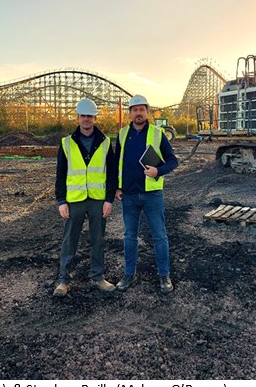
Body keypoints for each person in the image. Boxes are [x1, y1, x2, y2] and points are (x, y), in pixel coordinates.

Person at [115, 94, 179, 294]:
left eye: (141, 109)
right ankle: (128, 274)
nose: (138, 113)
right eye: (134, 110)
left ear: (147, 112)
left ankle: (164, 276)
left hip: (152, 195)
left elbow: (172, 161)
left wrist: (157, 171)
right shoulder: (122, 134)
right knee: (129, 236)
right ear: (130, 113)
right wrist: (117, 187)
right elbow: (117, 162)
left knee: (159, 236)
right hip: (129, 195)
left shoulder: (158, 134)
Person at [53, 98, 117, 297]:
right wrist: (61, 201)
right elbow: (61, 174)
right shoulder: (67, 143)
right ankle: (64, 280)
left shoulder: (105, 142)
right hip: (75, 200)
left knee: (97, 240)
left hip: (98, 200)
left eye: (90, 116)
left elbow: (112, 173)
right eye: (83, 116)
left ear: (95, 118)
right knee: (69, 240)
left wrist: (109, 199)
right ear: (78, 117)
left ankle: (98, 277)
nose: (86, 119)